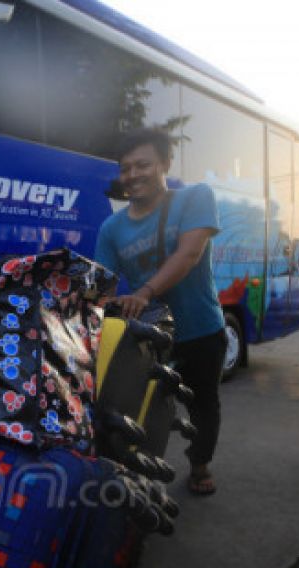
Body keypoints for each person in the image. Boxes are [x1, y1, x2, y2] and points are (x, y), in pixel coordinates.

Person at [94, 127, 227, 495]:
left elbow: (189, 254)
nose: (133, 174)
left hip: (201, 329)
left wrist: (144, 292)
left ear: (165, 164)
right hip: (151, 339)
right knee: (140, 408)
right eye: (125, 168)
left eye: (143, 164)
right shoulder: (111, 227)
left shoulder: (196, 198)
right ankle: (137, 474)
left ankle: (199, 465)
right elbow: (101, 282)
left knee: (203, 405)